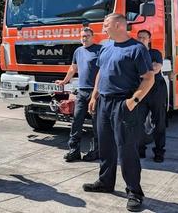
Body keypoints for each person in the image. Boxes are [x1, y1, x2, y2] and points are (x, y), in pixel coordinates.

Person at [83, 13, 154, 212]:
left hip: (123, 103)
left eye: (105, 24)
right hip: (103, 102)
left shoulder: (137, 49)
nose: (103, 28)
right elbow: (100, 72)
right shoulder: (106, 46)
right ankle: (105, 182)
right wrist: (94, 96)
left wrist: (133, 101)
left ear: (118, 25)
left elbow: (148, 79)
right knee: (105, 145)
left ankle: (134, 193)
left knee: (126, 149)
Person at [55, 27, 101, 162]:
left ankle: (96, 151)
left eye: (87, 36)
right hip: (81, 91)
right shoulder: (78, 51)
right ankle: (74, 151)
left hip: (95, 92)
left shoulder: (100, 50)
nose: (84, 38)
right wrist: (64, 81)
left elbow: (104, 71)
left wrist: (96, 93)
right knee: (76, 121)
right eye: (82, 36)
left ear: (93, 37)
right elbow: (73, 68)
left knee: (96, 123)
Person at [137, 29, 167, 162]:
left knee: (158, 122)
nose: (142, 39)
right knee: (138, 122)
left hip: (156, 90)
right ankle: (140, 150)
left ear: (149, 39)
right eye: (139, 37)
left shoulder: (155, 53)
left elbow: (156, 69)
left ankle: (159, 152)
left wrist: (139, 71)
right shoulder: (135, 54)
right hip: (141, 90)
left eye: (144, 37)